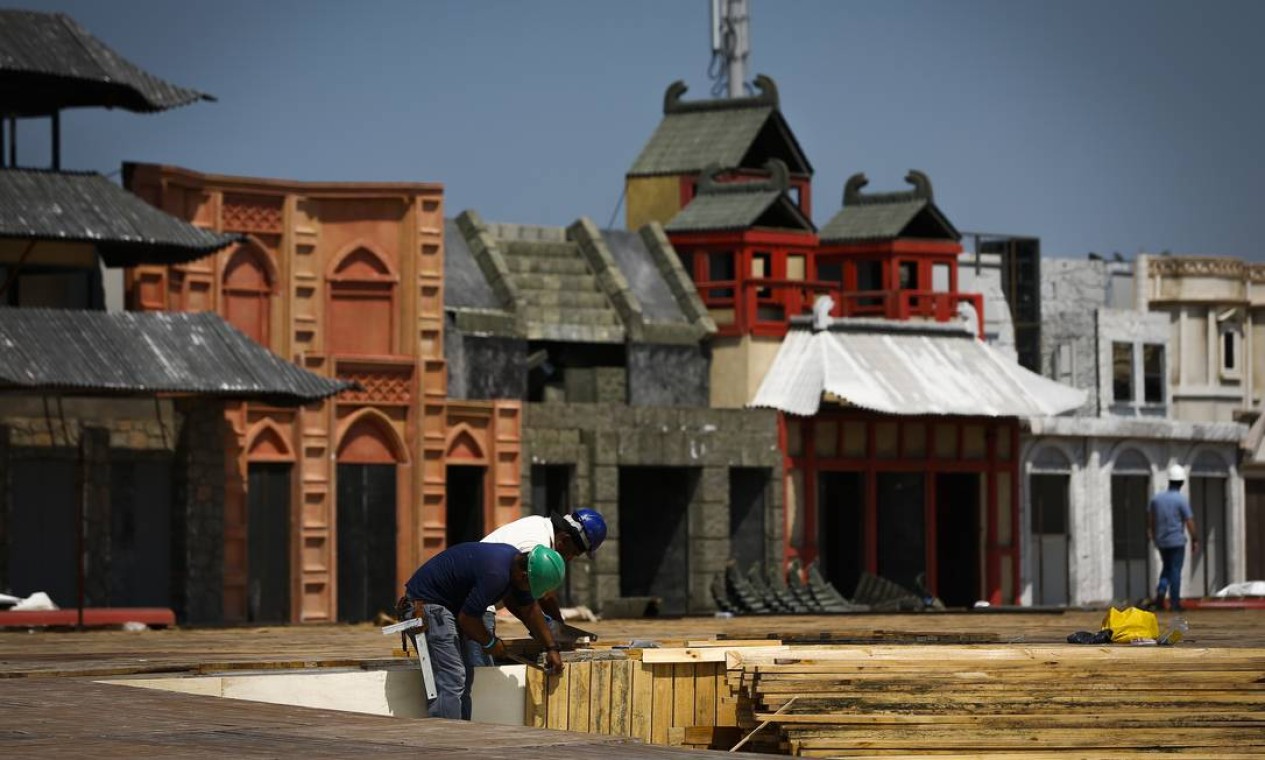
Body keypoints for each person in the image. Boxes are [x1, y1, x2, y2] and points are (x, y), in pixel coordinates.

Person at [402, 542, 565, 720]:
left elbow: (530, 610)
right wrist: (490, 642)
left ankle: (459, 733)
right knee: (452, 677)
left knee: (465, 677)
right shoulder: (496, 574)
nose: (528, 591)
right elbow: (468, 620)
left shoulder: (515, 565)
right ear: (524, 576)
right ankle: (445, 739)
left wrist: (551, 648)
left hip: (446, 609)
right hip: (425, 608)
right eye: (530, 587)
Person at [470, 509, 606, 665]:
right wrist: (550, 637)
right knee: (480, 673)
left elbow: (541, 596)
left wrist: (557, 629)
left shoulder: (539, 526)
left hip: (480, 600)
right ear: (564, 540)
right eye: (573, 553)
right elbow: (528, 601)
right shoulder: (535, 543)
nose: (569, 559)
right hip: (476, 606)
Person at [1147, 464, 1199, 612]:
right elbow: (1189, 521)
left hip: (1161, 541)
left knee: (1167, 568)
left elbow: (1151, 518)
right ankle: (1175, 603)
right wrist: (1195, 539)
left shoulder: (1156, 499)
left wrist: (1152, 533)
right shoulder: (1181, 500)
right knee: (1175, 570)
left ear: (1169, 481)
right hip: (1176, 541)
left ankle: (1161, 592)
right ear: (1182, 482)